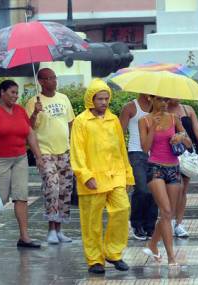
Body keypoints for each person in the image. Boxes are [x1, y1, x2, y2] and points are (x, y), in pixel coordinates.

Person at [70, 79, 134, 274]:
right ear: (91, 99)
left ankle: (113, 253)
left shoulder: (113, 119)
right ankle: (95, 260)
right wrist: (85, 175)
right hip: (92, 178)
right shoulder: (81, 121)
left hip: (115, 174)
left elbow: (121, 149)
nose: (104, 102)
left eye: (107, 98)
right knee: (92, 222)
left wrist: (128, 174)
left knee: (123, 209)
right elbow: (77, 151)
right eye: (100, 99)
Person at [0, 80, 43, 248]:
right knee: (0, 198)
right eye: (13, 92)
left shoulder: (20, 110)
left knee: (21, 196)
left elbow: (30, 134)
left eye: (17, 92)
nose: (16, 95)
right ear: (2, 92)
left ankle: (24, 237)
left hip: (20, 158)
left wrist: (38, 157)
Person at [139, 95, 192, 266]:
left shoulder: (174, 118)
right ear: (151, 100)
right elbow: (145, 148)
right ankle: (171, 258)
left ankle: (153, 244)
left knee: (167, 214)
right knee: (166, 211)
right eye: (160, 100)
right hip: (155, 168)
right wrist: (153, 126)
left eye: (166, 100)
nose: (164, 104)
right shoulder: (144, 120)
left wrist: (181, 137)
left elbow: (189, 145)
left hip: (173, 168)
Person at [25, 68, 75, 244]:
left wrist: (73, 146)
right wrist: (35, 113)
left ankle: (60, 229)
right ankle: (51, 230)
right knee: (52, 187)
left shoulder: (64, 98)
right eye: (49, 78)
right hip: (45, 151)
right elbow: (28, 128)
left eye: (55, 77)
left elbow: (70, 123)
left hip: (65, 150)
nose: (54, 81)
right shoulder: (33, 101)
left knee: (65, 189)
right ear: (41, 81)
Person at [168, 99, 198, 237]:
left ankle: (178, 224)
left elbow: (197, 130)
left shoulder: (187, 109)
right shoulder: (162, 109)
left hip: (187, 152)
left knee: (183, 189)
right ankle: (169, 220)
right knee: (177, 187)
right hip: (170, 152)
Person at [120, 94, 158, 240]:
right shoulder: (130, 107)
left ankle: (150, 226)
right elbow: (120, 133)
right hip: (136, 153)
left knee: (155, 191)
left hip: (155, 153)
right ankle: (136, 224)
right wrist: (121, 156)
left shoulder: (157, 107)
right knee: (142, 189)